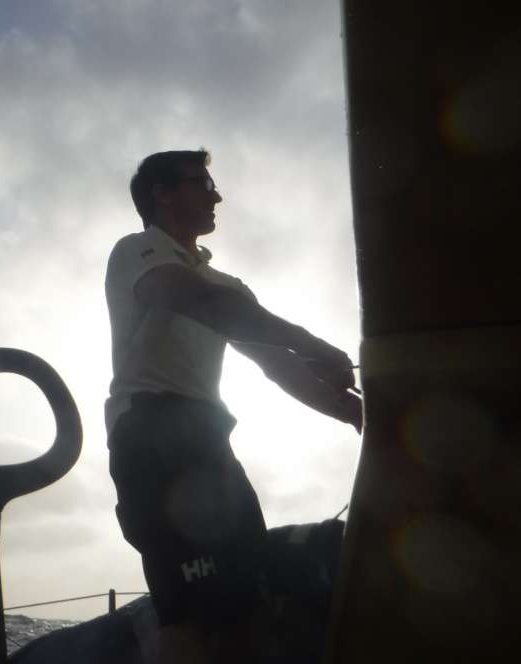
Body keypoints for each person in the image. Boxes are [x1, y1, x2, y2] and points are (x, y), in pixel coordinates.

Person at [105, 150, 362, 663]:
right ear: (162, 193)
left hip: (209, 440)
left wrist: (358, 416)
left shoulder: (228, 286)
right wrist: (315, 343)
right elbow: (197, 301)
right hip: (151, 433)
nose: (217, 195)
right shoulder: (139, 251)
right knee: (188, 611)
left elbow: (278, 367)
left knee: (247, 604)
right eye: (202, 183)